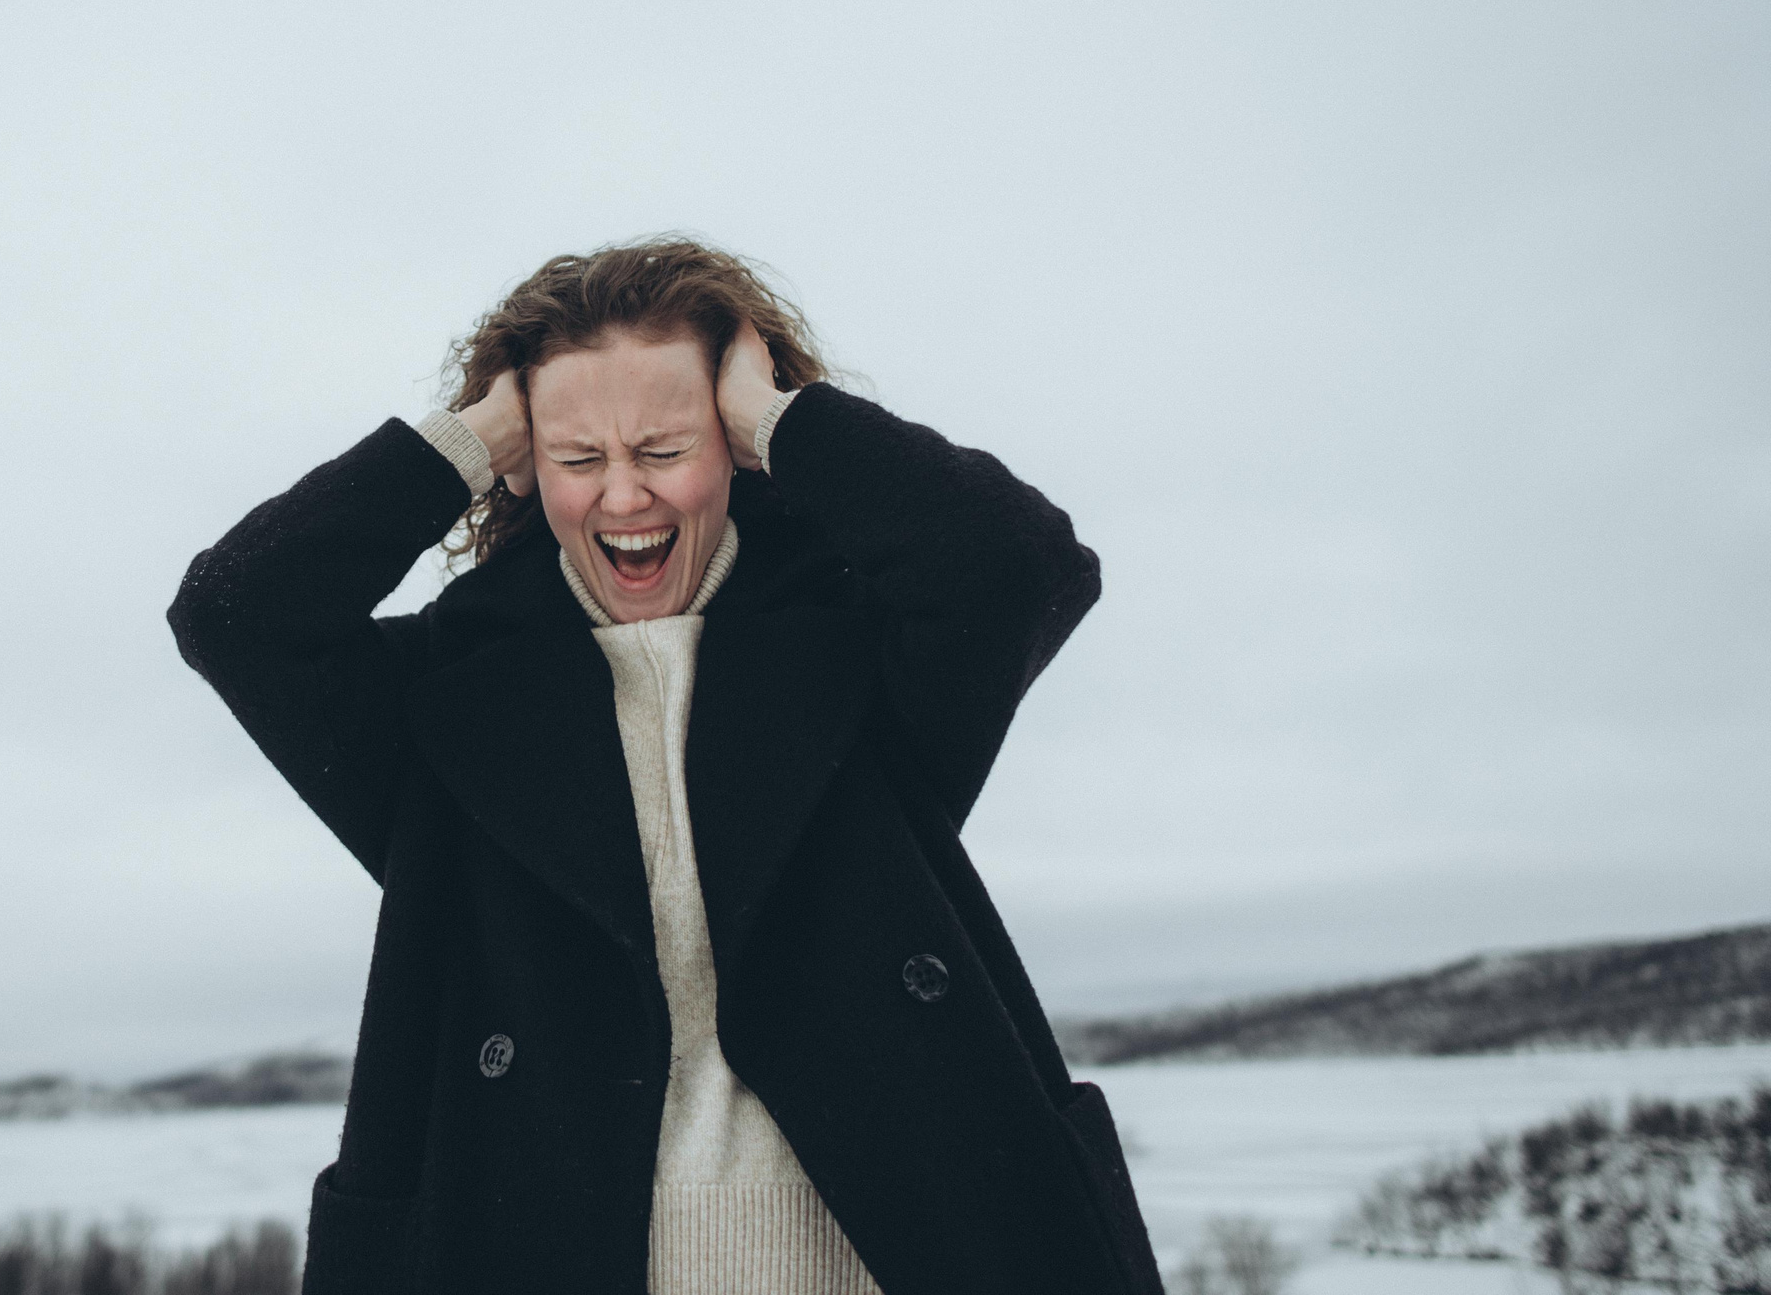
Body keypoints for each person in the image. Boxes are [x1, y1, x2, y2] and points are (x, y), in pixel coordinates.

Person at [168, 239, 1164, 1295]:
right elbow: (239, 616)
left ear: (732, 444)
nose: (625, 498)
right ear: (524, 464)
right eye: (579, 457)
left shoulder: (861, 659)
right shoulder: (438, 705)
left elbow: (1018, 566)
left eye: (663, 447)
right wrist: (470, 438)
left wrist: (785, 418)